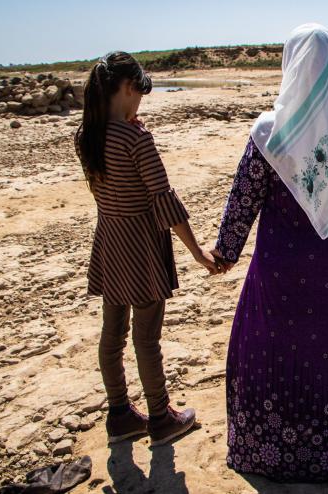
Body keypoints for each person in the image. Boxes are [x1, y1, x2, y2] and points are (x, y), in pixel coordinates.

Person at [212, 24, 328, 481]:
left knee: (275, 351)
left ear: (289, 64)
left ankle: (270, 451)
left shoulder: (268, 133)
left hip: (282, 272)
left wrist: (226, 251)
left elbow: (243, 199)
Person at [74, 51, 220, 447]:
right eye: (139, 93)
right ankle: (160, 417)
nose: (141, 102)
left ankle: (119, 414)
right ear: (126, 88)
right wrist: (197, 252)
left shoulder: (87, 135)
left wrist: (126, 126)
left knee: (112, 333)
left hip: (109, 243)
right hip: (141, 246)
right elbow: (163, 200)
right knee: (146, 338)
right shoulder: (136, 139)